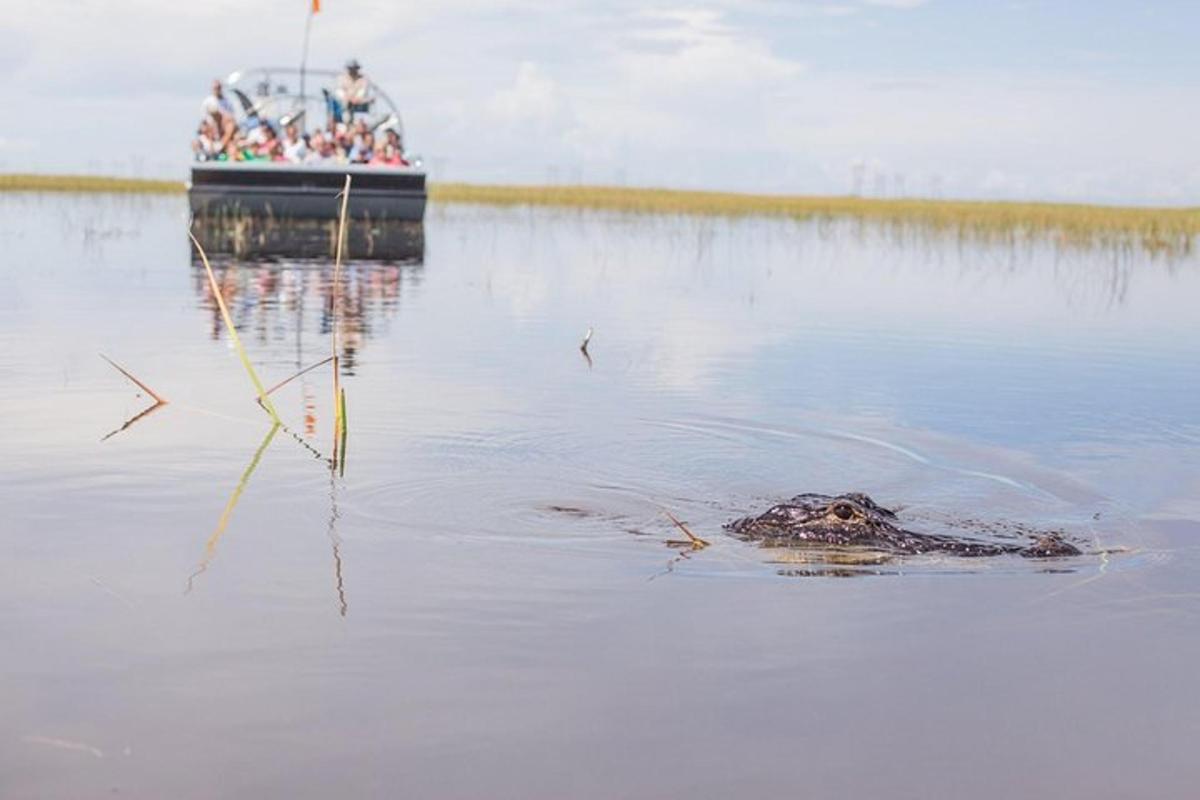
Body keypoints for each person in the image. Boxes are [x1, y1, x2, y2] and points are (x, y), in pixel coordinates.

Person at [201, 79, 237, 153]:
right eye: (215, 88)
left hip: (224, 126)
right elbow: (204, 119)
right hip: (211, 126)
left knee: (231, 126)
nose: (217, 89)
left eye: (218, 87)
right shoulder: (207, 101)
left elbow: (231, 116)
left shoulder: (227, 101)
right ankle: (214, 149)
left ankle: (221, 147)